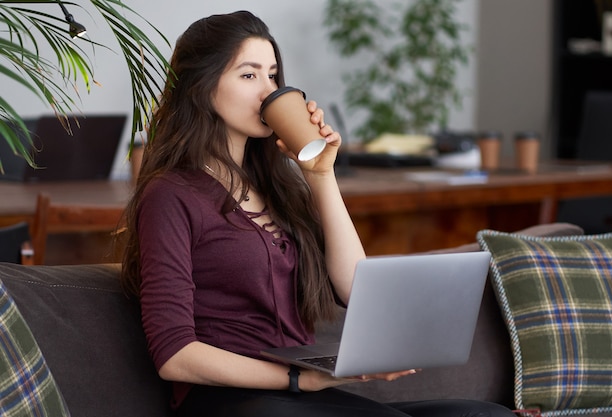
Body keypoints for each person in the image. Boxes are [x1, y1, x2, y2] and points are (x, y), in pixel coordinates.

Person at [120, 10, 516, 417]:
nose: (267, 92)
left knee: (482, 414)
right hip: (231, 400)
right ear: (202, 89)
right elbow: (174, 355)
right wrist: (297, 379)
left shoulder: (277, 188)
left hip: (297, 395)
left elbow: (354, 290)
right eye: (249, 75)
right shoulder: (170, 195)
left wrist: (322, 175)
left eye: (273, 76)